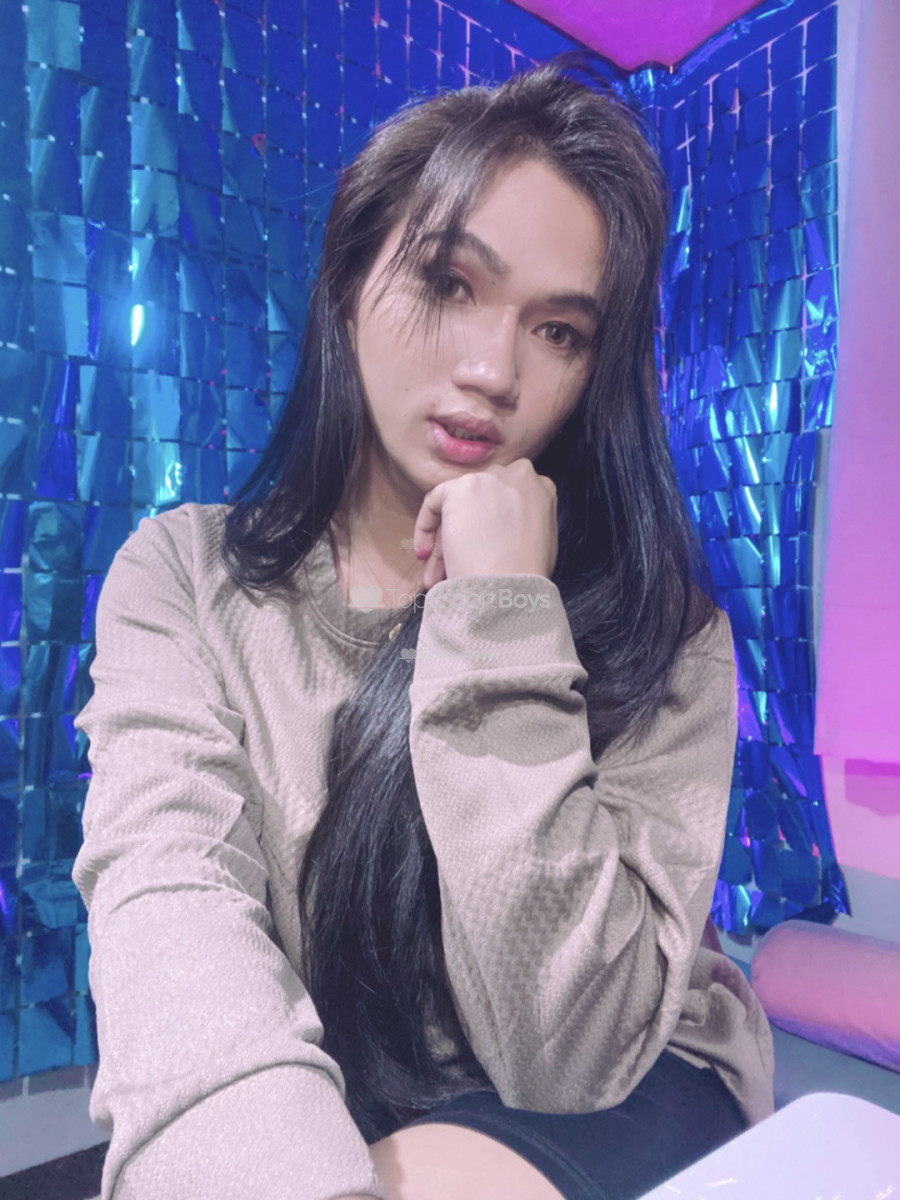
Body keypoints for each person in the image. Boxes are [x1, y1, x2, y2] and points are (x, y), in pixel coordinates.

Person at [72, 59, 774, 1200]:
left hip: (619, 1080)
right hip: (335, 1086)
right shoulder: (186, 578)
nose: (494, 371)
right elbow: (172, 911)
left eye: (559, 331)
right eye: (450, 282)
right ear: (349, 281)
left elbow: (568, 1048)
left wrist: (500, 618)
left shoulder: (663, 630)